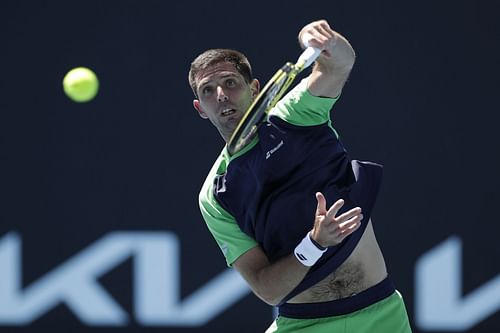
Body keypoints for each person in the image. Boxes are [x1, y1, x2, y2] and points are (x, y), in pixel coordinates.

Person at [189, 19, 412, 332]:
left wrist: (324, 40)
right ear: (200, 108)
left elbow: (340, 63)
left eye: (230, 82)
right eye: (208, 91)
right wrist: (314, 244)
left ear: (254, 88)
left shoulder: (294, 115)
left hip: (382, 314)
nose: (222, 95)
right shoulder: (215, 195)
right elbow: (268, 289)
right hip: (303, 325)